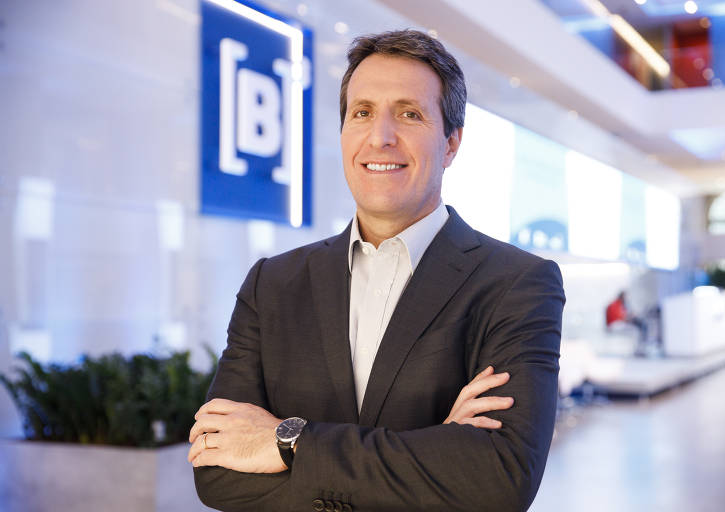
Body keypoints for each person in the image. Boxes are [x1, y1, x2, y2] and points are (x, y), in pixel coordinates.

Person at [187, 29, 565, 512]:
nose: (380, 136)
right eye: (361, 113)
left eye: (409, 114)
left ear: (451, 144)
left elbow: (498, 478)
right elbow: (216, 471)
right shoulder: (272, 284)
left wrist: (287, 443)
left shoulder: (516, 284)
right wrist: (434, 452)